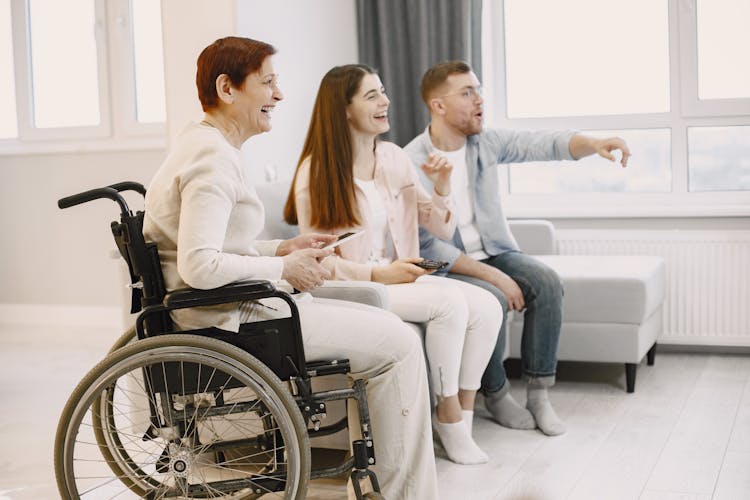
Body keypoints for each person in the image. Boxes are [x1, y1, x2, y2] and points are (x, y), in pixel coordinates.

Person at [143, 37, 439, 499]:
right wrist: (284, 270)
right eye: (268, 83)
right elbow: (200, 265)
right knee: (399, 344)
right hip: (229, 319)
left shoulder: (207, 145)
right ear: (227, 88)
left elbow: (219, 245)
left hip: (236, 306)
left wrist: (284, 247)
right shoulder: (211, 158)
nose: (279, 96)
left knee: (383, 321)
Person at [283, 64, 502, 465]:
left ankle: (462, 418)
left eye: (383, 92)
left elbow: (436, 223)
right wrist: (377, 274)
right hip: (353, 286)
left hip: (395, 276)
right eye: (372, 96)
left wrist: (440, 187)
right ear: (343, 109)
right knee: (449, 304)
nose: (385, 101)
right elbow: (316, 262)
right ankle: (447, 413)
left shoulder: (392, 156)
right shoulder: (315, 172)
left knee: (488, 307)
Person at [404, 61, 632, 437]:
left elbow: (540, 143)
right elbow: (427, 244)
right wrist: (493, 275)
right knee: (492, 298)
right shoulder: (411, 161)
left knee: (546, 282)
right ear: (438, 105)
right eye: (467, 92)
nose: (480, 100)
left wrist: (592, 143)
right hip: (448, 265)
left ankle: (539, 393)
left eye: (479, 90)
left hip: (494, 249)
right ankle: (495, 393)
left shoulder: (485, 143)